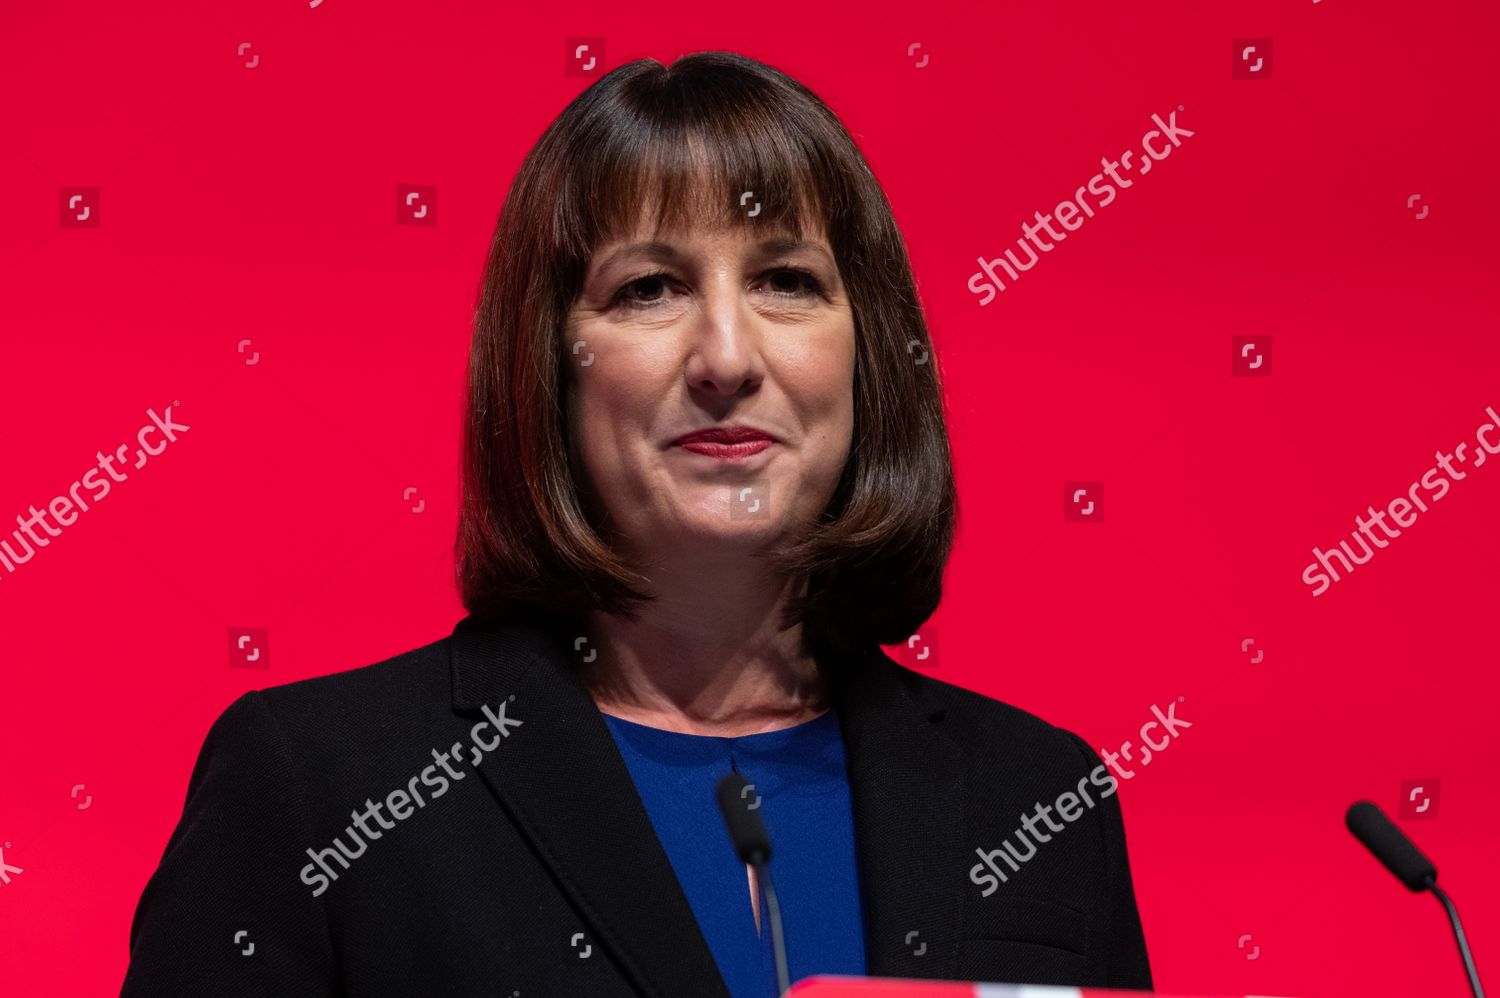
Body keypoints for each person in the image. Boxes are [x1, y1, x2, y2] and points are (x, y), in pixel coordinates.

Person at [120, 50, 1152, 997]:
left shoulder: (1038, 793)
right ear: (549, 365)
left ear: (869, 354)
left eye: (786, 281)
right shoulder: (319, 785)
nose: (725, 356)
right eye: (648, 289)